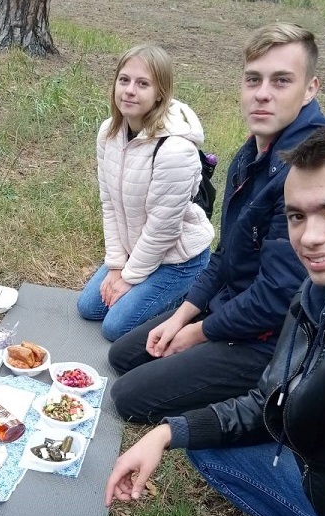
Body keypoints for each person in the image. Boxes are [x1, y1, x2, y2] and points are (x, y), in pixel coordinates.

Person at [105, 120, 325, 516]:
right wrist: (168, 432)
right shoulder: (318, 288)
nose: (311, 237)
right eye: (297, 216)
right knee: (203, 444)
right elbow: (270, 400)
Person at [108, 23, 325, 422]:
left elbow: (278, 298)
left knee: (128, 397)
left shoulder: (311, 168)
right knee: (124, 355)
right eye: (253, 79)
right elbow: (226, 254)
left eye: (281, 81)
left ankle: (265, 394)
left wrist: (198, 333)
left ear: (309, 88)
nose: (262, 93)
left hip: (276, 337)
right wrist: (182, 317)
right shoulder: (250, 155)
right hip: (234, 306)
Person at [76, 44, 214, 342]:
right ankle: (145, 285)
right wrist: (116, 266)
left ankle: (193, 293)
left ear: (160, 93)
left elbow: (162, 230)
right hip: (136, 250)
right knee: (88, 307)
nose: (129, 91)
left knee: (115, 328)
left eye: (142, 84)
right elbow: (109, 204)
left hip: (178, 260)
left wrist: (129, 278)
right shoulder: (108, 133)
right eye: (124, 80)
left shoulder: (175, 150)